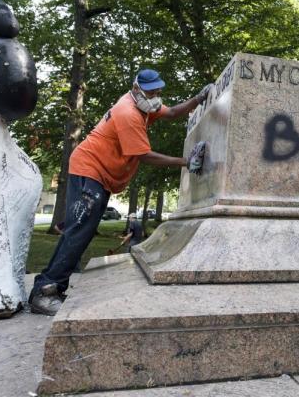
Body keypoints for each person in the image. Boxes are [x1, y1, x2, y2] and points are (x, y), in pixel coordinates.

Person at [28, 69, 211, 315]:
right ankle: (45, 291)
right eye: (150, 91)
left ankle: (53, 287)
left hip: (97, 174)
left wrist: (198, 99)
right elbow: (143, 155)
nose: (156, 96)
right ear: (136, 89)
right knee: (79, 230)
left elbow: (172, 112)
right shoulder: (129, 113)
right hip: (89, 169)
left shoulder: (145, 106)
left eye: (158, 90)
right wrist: (185, 162)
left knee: (81, 230)